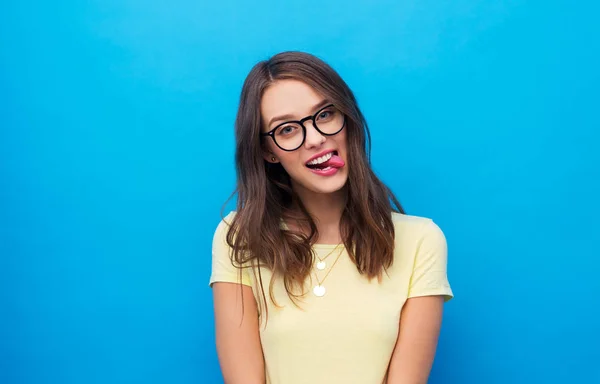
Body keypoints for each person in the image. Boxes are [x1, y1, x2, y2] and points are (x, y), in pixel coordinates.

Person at [209, 51, 454, 384]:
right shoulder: (239, 236)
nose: (316, 139)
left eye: (324, 114)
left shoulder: (421, 240)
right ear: (268, 151)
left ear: (347, 116)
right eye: (287, 129)